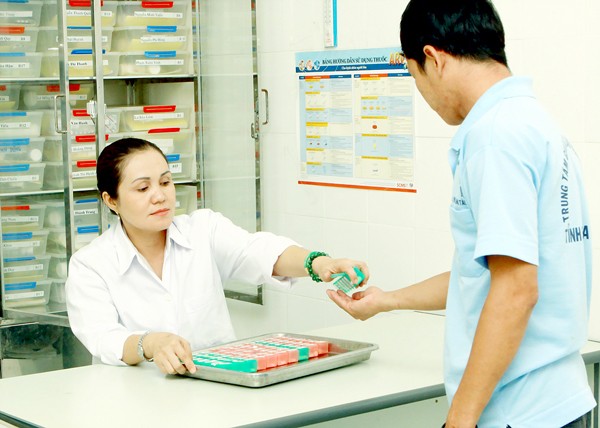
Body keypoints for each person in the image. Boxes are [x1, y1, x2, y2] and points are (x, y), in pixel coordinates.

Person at [327, 1, 594, 427]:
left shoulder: (494, 138)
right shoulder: (535, 124)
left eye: (415, 77)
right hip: (556, 400)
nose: (425, 97)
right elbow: (488, 273)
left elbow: (516, 291)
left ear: (432, 59)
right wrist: (388, 301)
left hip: (515, 411)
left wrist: (461, 419)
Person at [66, 137, 368, 376]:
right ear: (112, 200)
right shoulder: (91, 264)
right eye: (143, 187)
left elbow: (257, 251)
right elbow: (102, 338)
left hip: (216, 388)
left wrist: (319, 264)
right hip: (136, 398)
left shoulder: (202, 230)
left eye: (166, 182)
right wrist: (151, 343)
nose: (159, 195)